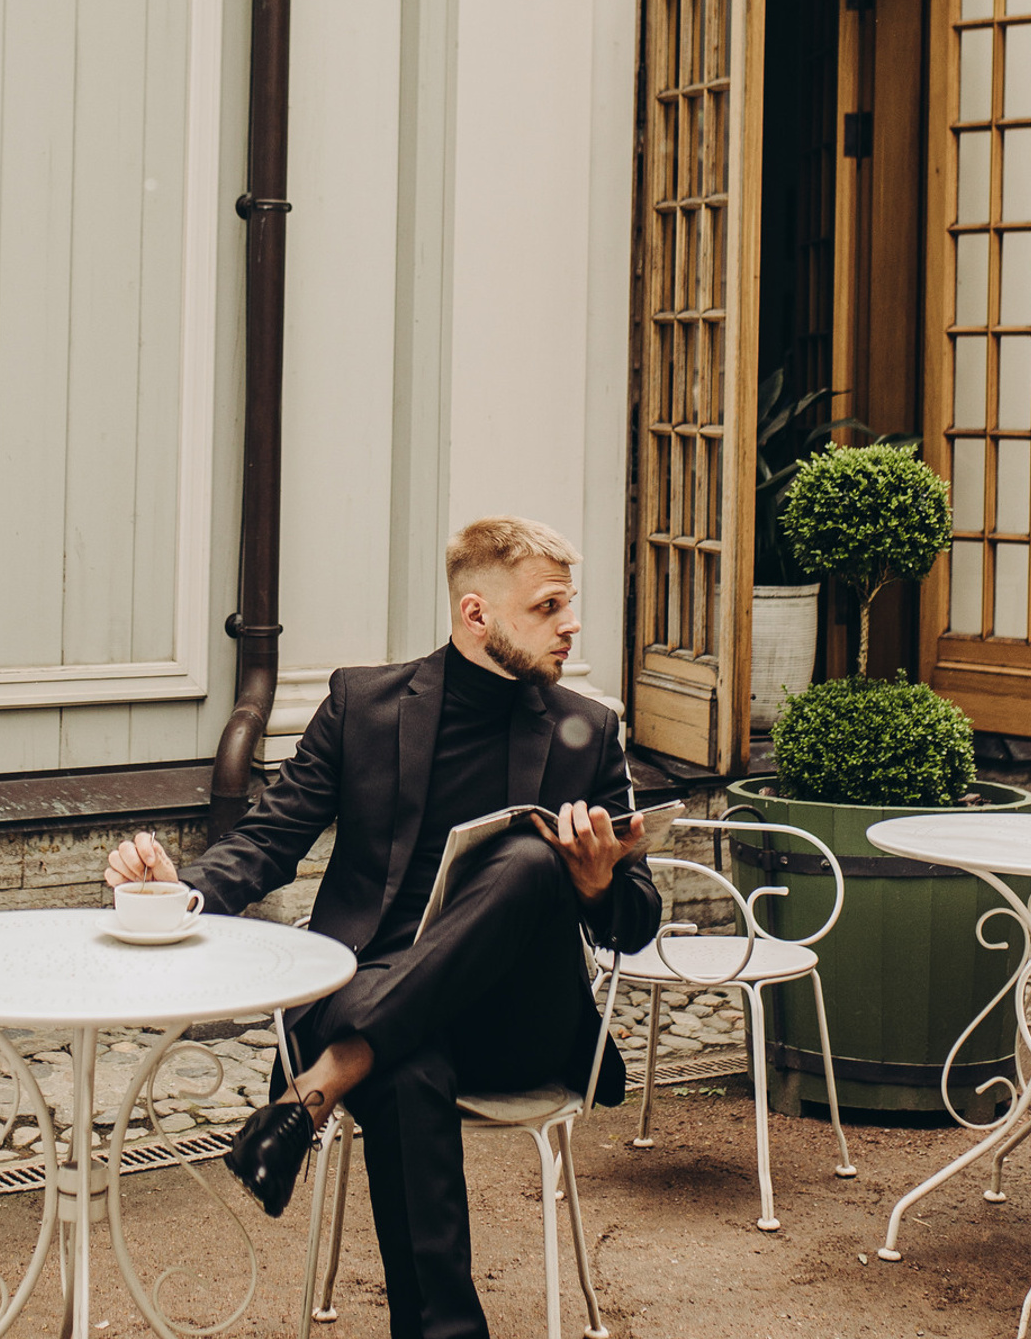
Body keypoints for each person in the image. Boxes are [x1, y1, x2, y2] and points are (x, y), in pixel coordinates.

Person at [104, 515, 662, 1339]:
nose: (570, 624)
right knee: (407, 1068)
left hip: (514, 1022)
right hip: (364, 987)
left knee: (532, 862)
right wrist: (179, 893)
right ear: (477, 615)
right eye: (547, 607)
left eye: (568, 605)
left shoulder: (588, 730)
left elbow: (637, 918)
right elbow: (270, 835)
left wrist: (596, 882)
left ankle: (319, 1087)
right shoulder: (363, 706)